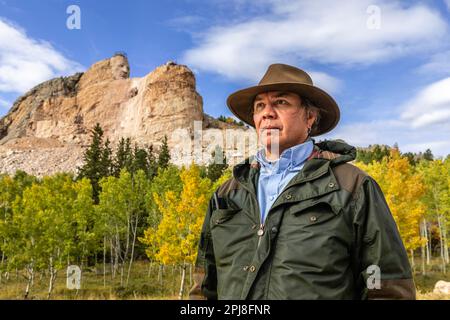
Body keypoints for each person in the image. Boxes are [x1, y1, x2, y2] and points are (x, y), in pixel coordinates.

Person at [189, 63, 416, 300]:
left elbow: (387, 287)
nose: (267, 112)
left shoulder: (353, 186)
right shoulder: (226, 194)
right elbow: (204, 287)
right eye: (260, 106)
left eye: (281, 102)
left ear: (310, 117)